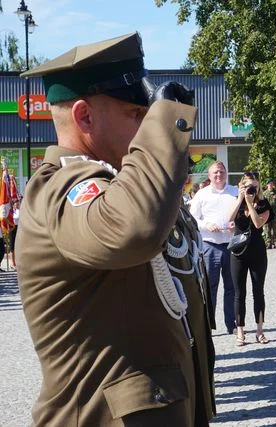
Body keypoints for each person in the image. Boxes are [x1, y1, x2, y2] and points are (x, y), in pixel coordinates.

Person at [16, 33, 215, 425]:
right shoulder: (58, 189)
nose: (145, 128)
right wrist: (165, 125)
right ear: (84, 117)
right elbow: (133, 230)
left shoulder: (122, 184)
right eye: (135, 115)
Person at [190, 161, 238, 335]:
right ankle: (208, 325)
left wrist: (237, 224)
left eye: (221, 172)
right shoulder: (201, 195)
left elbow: (243, 215)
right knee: (210, 287)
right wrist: (206, 225)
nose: (219, 175)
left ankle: (231, 324)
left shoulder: (234, 192)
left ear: (226, 173)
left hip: (231, 245)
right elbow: (192, 219)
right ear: (209, 176)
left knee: (232, 287)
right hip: (210, 246)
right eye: (215, 173)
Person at [228, 172, 272, 346]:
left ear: (259, 186)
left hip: (257, 252)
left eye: (254, 186)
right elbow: (229, 219)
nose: (251, 189)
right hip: (238, 252)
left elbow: (257, 223)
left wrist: (250, 202)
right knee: (239, 293)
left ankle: (259, 331)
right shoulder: (236, 202)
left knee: (258, 292)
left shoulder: (263, 204)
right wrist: (240, 199)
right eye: (247, 186)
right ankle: (240, 331)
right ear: (241, 186)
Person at [263, 179, 276, 249]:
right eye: (269, 184)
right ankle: (268, 243)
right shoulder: (264, 194)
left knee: (275, 229)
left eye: (272, 184)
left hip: (274, 214)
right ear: (267, 185)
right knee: (267, 229)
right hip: (267, 214)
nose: (271, 185)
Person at [8, 199, 19, 270]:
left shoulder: (19, 211)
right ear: (13, 204)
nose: (17, 205)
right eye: (16, 204)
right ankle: (13, 263)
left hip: (18, 228)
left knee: (18, 246)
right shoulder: (10, 212)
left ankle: (18, 262)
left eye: (18, 204)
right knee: (12, 246)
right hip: (12, 229)